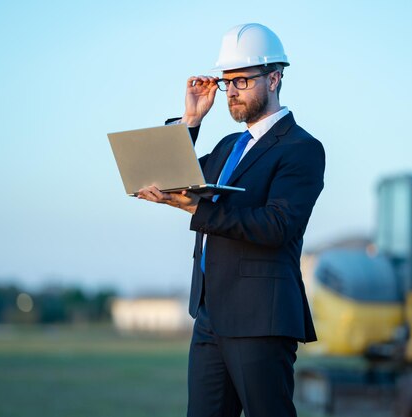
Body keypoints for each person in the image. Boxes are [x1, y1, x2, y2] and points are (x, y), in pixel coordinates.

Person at [136, 23, 325, 417]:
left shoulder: (302, 149)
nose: (232, 91)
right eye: (227, 82)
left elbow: (276, 227)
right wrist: (190, 121)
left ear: (274, 78)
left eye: (242, 80)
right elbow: (169, 174)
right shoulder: (227, 147)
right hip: (209, 317)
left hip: (261, 319)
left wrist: (196, 209)